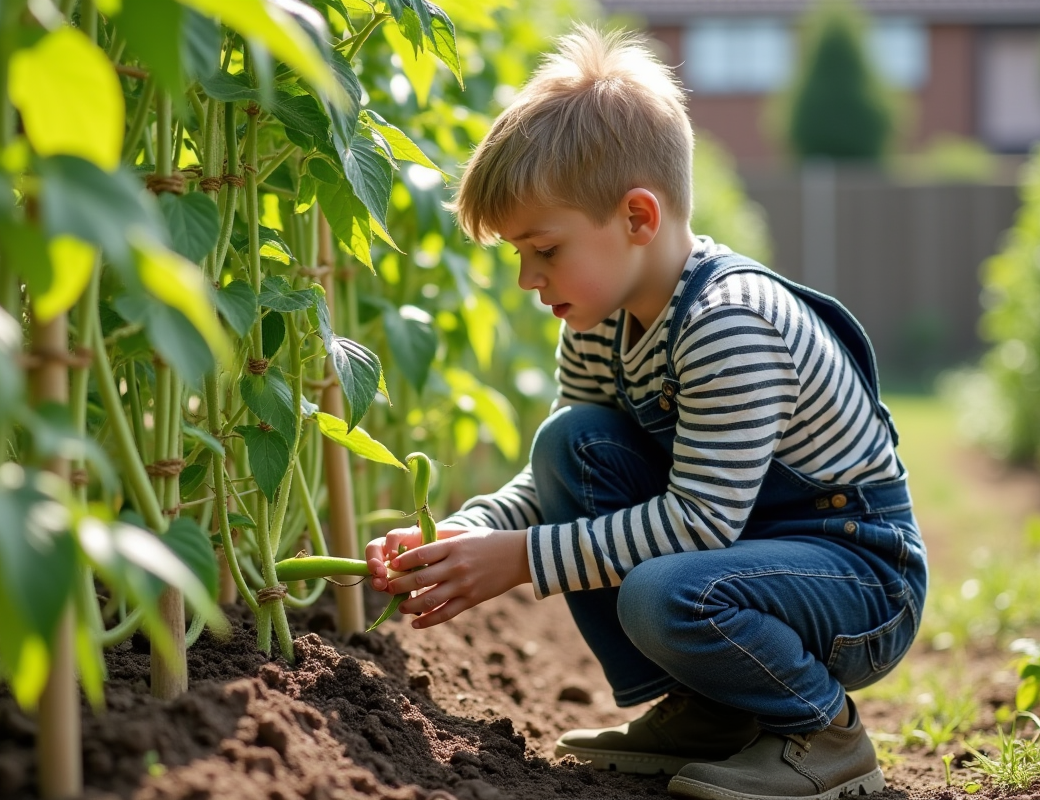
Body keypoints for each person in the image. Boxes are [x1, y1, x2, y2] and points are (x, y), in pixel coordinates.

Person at [365, 24, 927, 800]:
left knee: (663, 592)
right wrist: (471, 531)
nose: (529, 277)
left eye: (545, 248)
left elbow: (698, 525)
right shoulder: (598, 320)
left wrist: (522, 559)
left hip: (860, 575)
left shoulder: (730, 323)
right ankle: (710, 713)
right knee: (573, 443)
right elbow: (552, 478)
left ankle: (823, 732)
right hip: (756, 557)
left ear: (637, 218)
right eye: (518, 256)